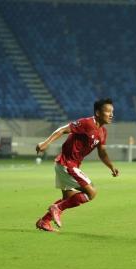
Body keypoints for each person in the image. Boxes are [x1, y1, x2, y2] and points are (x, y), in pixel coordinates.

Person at [35, 98, 119, 232]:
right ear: (98, 113)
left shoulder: (103, 132)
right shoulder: (86, 123)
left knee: (68, 199)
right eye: (108, 111)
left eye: (112, 111)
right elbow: (62, 130)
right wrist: (45, 143)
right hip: (67, 164)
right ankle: (57, 209)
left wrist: (111, 167)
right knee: (91, 192)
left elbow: (102, 153)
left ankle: (44, 221)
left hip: (69, 165)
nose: (111, 114)